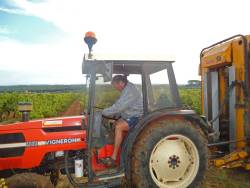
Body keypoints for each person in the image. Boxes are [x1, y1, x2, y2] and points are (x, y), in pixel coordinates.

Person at [102, 75, 143, 166]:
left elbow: (119, 106)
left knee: (118, 127)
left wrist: (103, 112)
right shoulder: (126, 89)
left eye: (115, 86)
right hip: (131, 114)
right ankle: (114, 146)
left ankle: (113, 157)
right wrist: (113, 114)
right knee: (115, 123)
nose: (115, 88)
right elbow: (123, 106)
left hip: (137, 116)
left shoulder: (130, 91)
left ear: (121, 83)